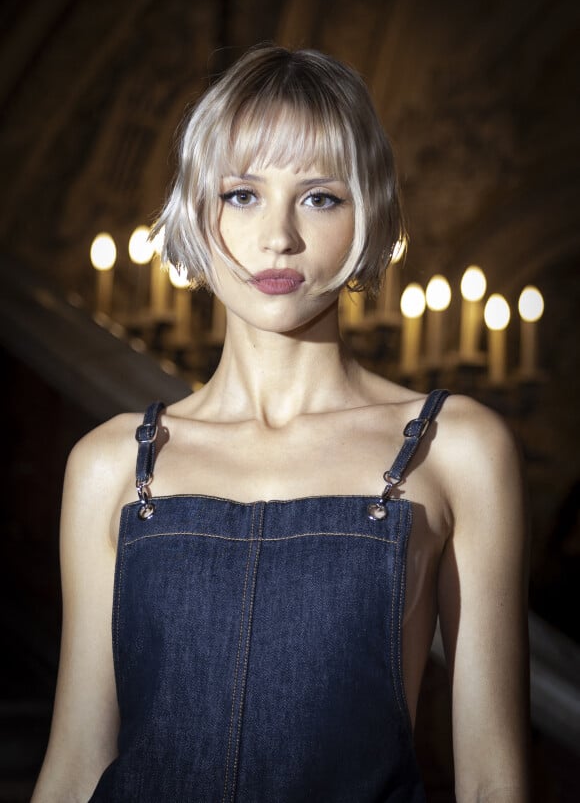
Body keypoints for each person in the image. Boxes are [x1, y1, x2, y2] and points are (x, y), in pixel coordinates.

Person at [32, 45, 530, 802]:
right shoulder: (111, 463)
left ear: (371, 212)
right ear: (198, 211)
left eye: (320, 197)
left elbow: (494, 782)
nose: (278, 238)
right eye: (242, 194)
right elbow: (73, 769)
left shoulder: (455, 448)